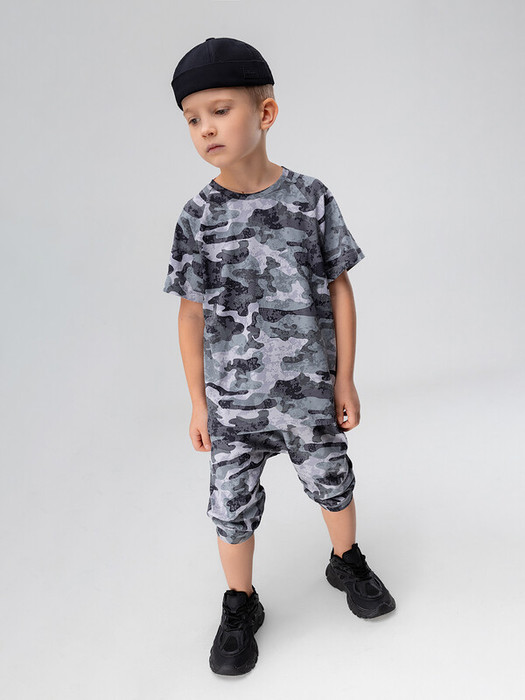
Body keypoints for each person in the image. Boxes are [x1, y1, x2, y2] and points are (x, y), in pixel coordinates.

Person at [163, 37, 396, 676]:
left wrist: (344, 379)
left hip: (308, 393)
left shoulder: (310, 199)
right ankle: (240, 603)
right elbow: (190, 314)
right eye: (192, 119)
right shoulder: (197, 218)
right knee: (230, 509)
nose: (206, 129)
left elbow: (339, 287)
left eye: (220, 111)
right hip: (233, 406)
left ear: (265, 113)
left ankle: (346, 561)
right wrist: (197, 403)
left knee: (333, 481)